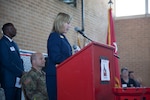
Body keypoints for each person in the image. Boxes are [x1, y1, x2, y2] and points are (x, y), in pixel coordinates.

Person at [45, 12, 72, 100]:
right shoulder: (54, 36)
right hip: (55, 75)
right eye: (67, 23)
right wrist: (71, 59)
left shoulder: (62, 37)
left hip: (62, 73)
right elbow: (55, 57)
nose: (69, 26)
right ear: (60, 22)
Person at [0, 23, 24, 100]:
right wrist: (21, 72)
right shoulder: (2, 43)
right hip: (9, 80)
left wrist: (22, 74)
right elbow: (6, 62)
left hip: (18, 80)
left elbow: (19, 61)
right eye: (12, 28)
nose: (15, 30)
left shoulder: (14, 44)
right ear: (6, 30)